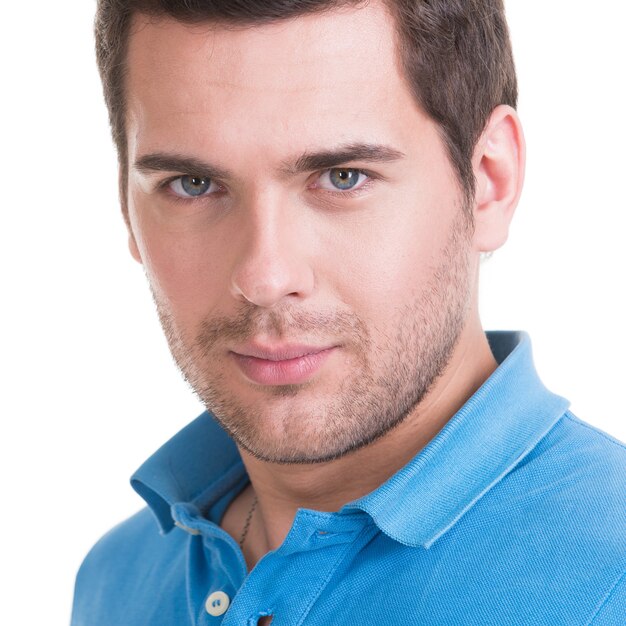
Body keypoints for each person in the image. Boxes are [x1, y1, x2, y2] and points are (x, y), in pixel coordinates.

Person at [71, 0, 625, 624]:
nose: (264, 277)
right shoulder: (117, 578)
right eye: (192, 185)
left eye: (342, 177)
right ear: (126, 204)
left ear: (489, 180)